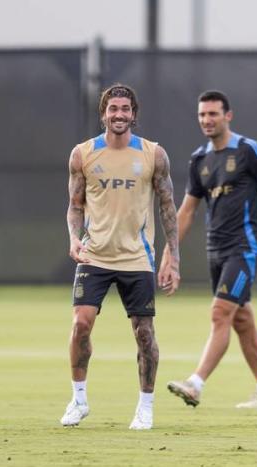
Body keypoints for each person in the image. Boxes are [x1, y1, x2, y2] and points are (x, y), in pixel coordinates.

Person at [61, 83, 180, 430]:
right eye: (113, 109)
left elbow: (168, 206)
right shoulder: (82, 154)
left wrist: (172, 253)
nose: (119, 115)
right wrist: (73, 238)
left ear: (134, 114)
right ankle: (79, 399)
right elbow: (74, 206)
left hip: (136, 259)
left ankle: (145, 406)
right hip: (94, 255)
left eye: (125, 109)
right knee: (81, 324)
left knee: (144, 333)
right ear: (103, 114)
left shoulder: (153, 154)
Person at [164, 90, 257, 409]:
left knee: (220, 312)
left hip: (246, 247)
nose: (207, 120)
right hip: (216, 250)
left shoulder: (249, 151)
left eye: (213, 114)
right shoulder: (200, 159)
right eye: (202, 115)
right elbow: (187, 210)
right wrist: (170, 253)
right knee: (241, 319)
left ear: (228, 116)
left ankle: (196, 383)